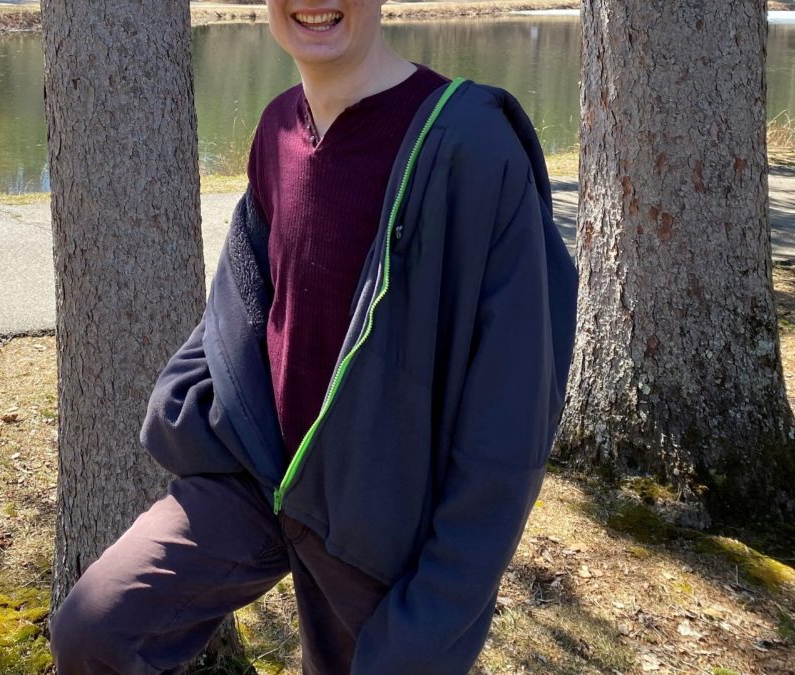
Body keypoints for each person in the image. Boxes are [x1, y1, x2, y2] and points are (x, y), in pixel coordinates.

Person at [49, 1, 578, 673]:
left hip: (374, 520)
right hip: (261, 476)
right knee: (95, 630)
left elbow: (511, 412)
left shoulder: (470, 147)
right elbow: (243, 302)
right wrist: (195, 412)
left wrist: (441, 606)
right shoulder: (276, 129)